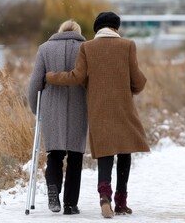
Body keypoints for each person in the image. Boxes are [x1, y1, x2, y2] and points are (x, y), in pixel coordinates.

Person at [46, 11, 150, 218]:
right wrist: (131, 86)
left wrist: (51, 76)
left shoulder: (88, 47)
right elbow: (137, 81)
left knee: (105, 152)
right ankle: (121, 202)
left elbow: (77, 77)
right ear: (115, 28)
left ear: (97, 29)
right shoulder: (128, 45)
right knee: (124, 151)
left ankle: (104, 197)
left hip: (98, 109)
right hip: (123, 108)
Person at [27, 20, 87, 215]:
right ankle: (70, 204)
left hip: (52, 106)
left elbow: (36, 81)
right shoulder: (85, 48)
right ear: (78, 32)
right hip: (79, 105)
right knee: (76, 156)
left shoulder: (44, 48)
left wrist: (36, 108)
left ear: (60, 30)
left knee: (55, 153)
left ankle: (53, 188)